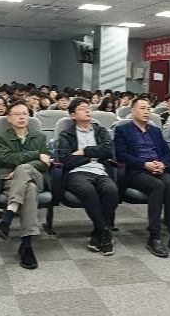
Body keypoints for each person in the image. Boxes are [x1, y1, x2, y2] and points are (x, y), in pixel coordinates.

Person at [114, 98, 170, 258]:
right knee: (157, 185)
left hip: (157, 168)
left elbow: (167, 153)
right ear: (132, 111)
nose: (146, 111)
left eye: (148, 108)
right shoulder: (123, 130)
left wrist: (163, 164)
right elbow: (122, 155)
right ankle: (154, 236)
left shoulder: (155, 130)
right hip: (136, 171)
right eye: (142, 108)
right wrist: (144, 164)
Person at [0, 101, 51, 269]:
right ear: (9, 118)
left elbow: (44, 163)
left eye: (24, 113)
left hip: (36, 176)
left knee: (24, 169)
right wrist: (35, 155)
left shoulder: (40, 137)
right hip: (9, 180)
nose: (21, 117)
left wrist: (22, 168)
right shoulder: (0, 138)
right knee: (30, 189)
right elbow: (5, 159)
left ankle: (8, 215)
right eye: (17, 114)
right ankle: (27, 245)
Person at [57, 99, 118, 255]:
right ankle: (104, 231)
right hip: (77, 172)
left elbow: (108, 151)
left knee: (111, 190)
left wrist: (85, 151)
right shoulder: (66, 134)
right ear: (73, 115)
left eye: (88, 108)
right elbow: (67, 160)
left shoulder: (100, 131)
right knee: (88, 191)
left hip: (100, 171)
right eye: (82, 108)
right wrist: (93, 156)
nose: (87, 111)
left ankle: (97, 232)